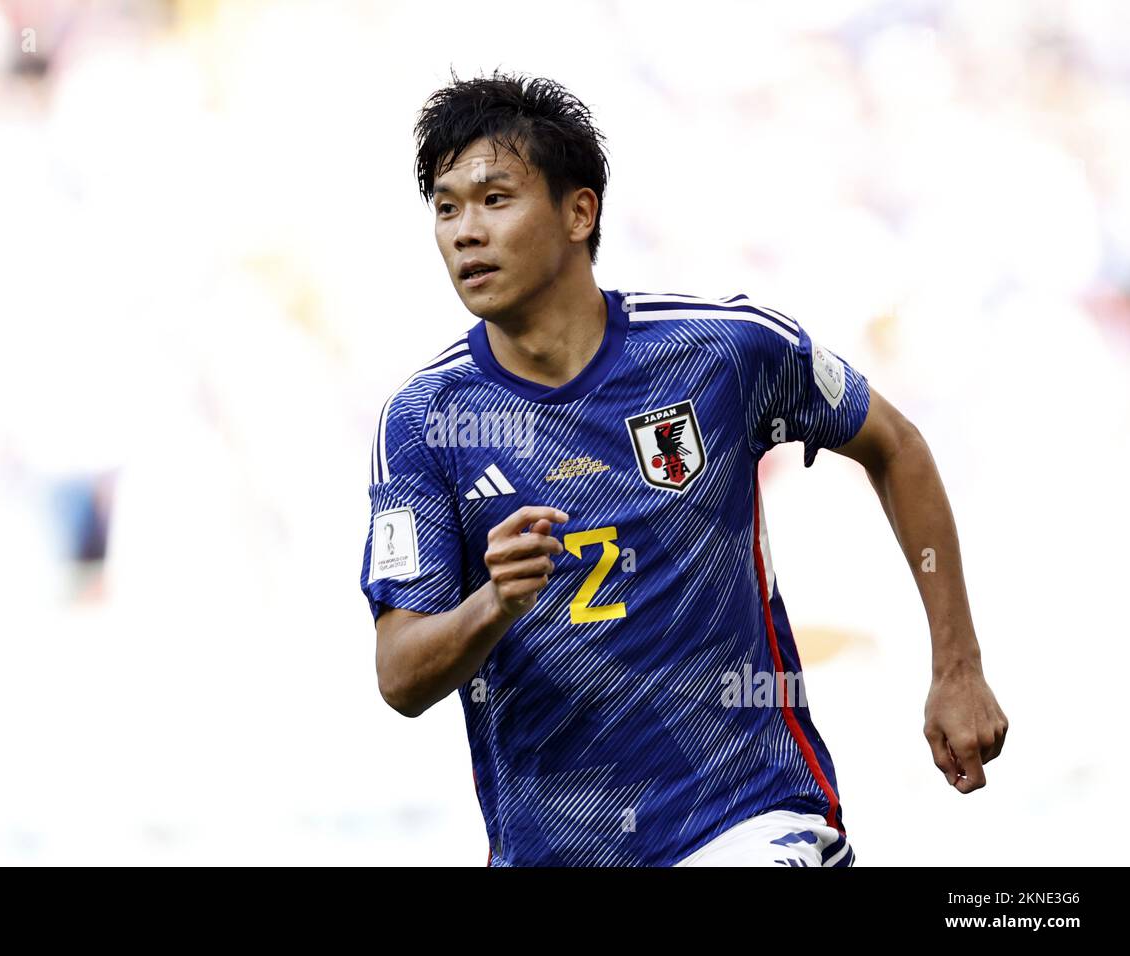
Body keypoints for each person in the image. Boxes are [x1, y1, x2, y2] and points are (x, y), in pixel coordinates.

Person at [360, 70, 1007, 866]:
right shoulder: (424, 421)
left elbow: (895, 444)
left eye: (495, 199)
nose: (465, 231)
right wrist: (492, 603)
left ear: (579, 211)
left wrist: (958, 666)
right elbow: (400, 674)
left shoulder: (721, 351)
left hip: (748, 819)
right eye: (447, 207)